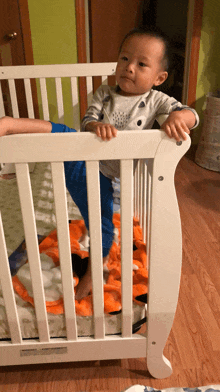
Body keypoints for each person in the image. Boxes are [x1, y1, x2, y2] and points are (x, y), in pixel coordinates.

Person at [0, 27, 199, 300]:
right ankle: (11, 124)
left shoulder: (157, 101)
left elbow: (191, 115)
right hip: (94, 168)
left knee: (104, 226)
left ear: (159, 77)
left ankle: (95, 272)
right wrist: (95, 126)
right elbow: (87, 121)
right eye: (124, 59)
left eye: (141, 64)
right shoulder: (104, 92)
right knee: (66, 136)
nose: (129, 68)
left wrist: (181, 119)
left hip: (125, 178)